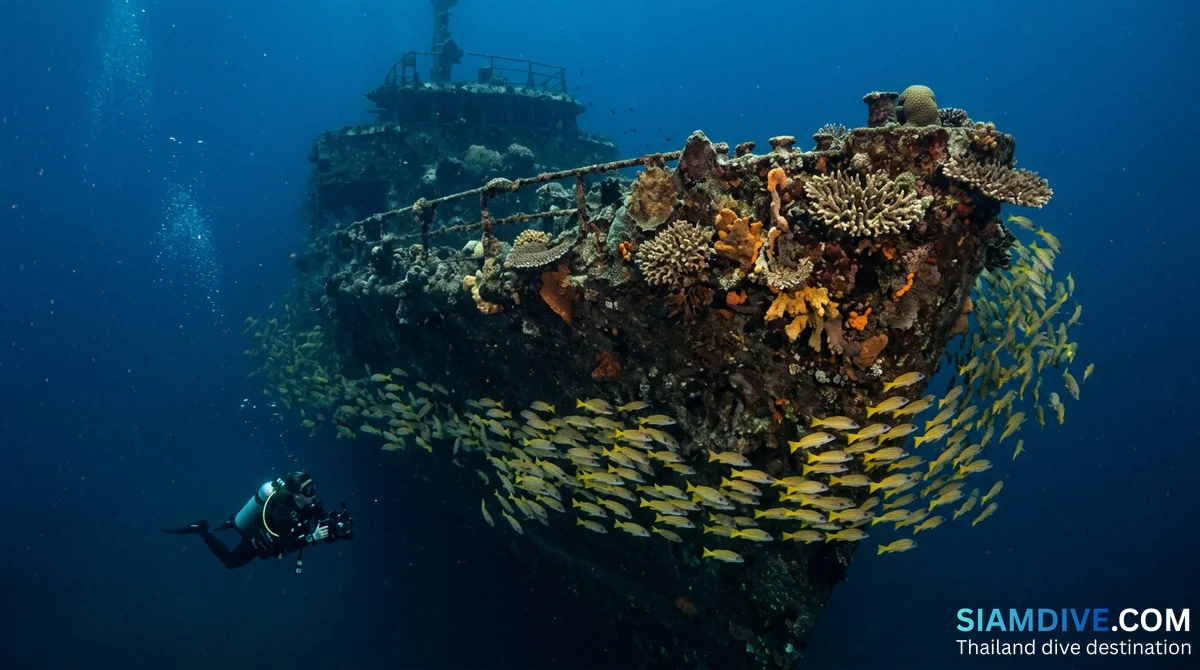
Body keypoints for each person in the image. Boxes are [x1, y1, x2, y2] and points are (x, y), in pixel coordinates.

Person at [163, 471, 338, 570]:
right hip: (259, 538)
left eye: (313, 487)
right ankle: (203, 530)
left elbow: (317, 510)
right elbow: (290, 545)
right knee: (231, 562)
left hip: (268, 531)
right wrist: (313, 537)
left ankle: (230, 524)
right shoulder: (282, 510)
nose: (313, 493)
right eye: (308, 490)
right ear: (296, 494)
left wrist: (331, 523)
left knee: (234, 526)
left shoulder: (306, 501)